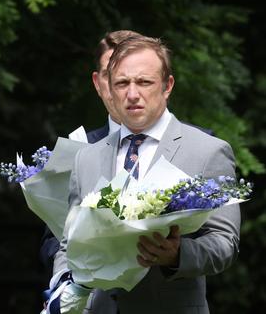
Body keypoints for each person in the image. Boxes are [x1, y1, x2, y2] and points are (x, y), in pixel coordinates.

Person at [52, 35, 240, 313]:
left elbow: (225, 243)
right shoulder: (86, 157)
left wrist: (177, 255)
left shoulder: (208, 151)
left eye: (144, 82)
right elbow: (69, 243)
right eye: (122, 83)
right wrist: (63, 289)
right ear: (109, 90)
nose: (132, 94)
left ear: (167, 86)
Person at [39, 30, 141, 272]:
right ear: (97, 83)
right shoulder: (76, 148)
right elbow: (52, 242)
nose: (122, 86)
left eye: (133, 76)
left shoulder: (192, 145)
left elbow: (216, 241)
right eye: (111, 74)